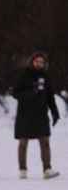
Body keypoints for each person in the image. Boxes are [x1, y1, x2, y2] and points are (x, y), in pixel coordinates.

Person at [13, 51, 60, 179]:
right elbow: (15, 93)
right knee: (23, 142)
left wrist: (55, 112)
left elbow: (50, 97)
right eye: (37, 61)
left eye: (41, 62)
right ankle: (22, 170)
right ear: (32, 62)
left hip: (41, 115)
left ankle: (47, 169)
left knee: (45, 141)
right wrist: (31, 92)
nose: (39, 64)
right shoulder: (24, 75)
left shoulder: (45, 77)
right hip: (25, 114)